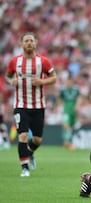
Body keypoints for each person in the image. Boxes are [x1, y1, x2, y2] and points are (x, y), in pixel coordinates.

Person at [5, 32, 57, 177]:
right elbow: (8, 76)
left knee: (37, 140)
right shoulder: (15, 61)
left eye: (31, 41)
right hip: (21, 105)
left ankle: (30, 153)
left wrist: (42, 82)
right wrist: (11, 82)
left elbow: (54, 78)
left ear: (36, 43)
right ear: (21, 44)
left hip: (38, 106)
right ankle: (25, 167)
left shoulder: (43, 61)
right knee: (22, 135)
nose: (29, 43)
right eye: (26, 41)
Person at [59, 76, 80, 150]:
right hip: (66, 110)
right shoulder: (63, 90)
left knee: (71, 127)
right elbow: (60, 99)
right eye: (68, 82)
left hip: (73, 111)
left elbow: (79, 98)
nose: (69, 83)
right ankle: (67, 142)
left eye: (70, 82)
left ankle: (68, 142)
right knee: (66, 126)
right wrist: (60, 108)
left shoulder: (76, 90)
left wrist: (77, 106)